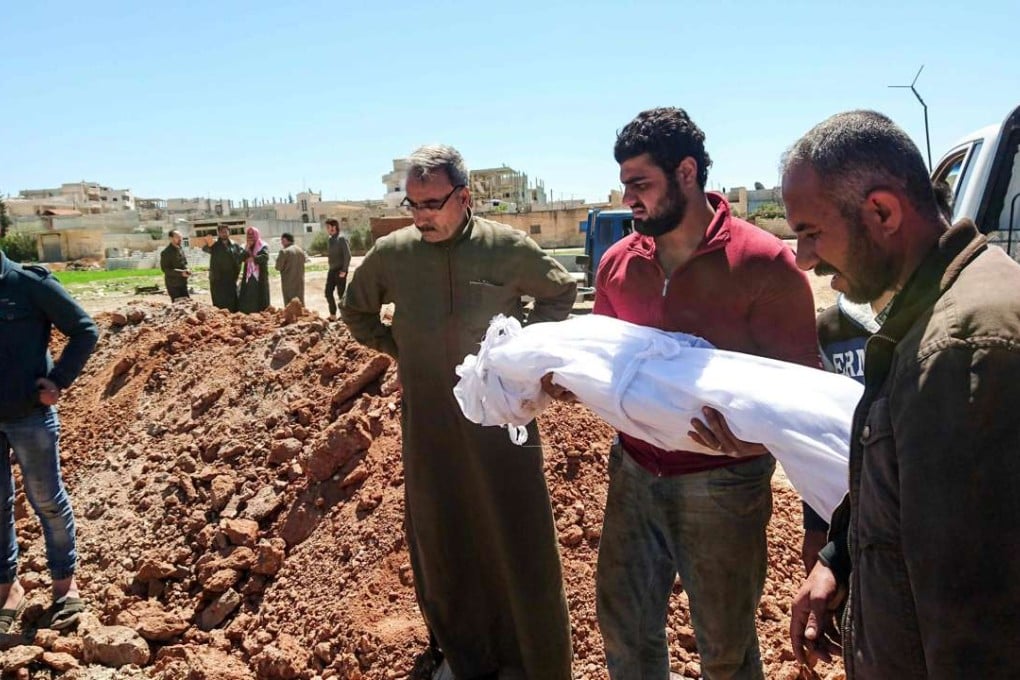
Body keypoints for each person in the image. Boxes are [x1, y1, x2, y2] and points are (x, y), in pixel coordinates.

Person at [565, 107, 819, 679]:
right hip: (633, 472)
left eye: (640, 184)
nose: (629, 198)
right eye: (625, 184)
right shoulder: (617, 265)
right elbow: (603, 357)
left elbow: (804, 394)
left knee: (725, 652)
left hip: (724, 484)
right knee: (626, 633)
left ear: (685, 173)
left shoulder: (765, 265)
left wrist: (750, 447)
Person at [785, 110, 1020, 678]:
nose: (803, 260)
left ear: (883, 212)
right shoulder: (931, 311)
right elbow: (904, 490)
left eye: (812, 233)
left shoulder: (959, 348)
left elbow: (977, 629)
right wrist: (838, 558)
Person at [341, 144, 577, 679]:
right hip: (429, 421)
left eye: (432, 203)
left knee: (519, 535)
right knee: (443, 534)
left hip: (500, 424)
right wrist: (404, 350)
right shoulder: (393, 254)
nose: (421, 215)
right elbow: (355, 309)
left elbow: (560, 293)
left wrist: (522, 360)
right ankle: (466, 654)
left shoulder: (505, 248)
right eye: (413, 204)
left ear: (463, 197)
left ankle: (536, 659)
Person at [800, 182, 953, 574]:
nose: (804, 259)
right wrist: (826, 539)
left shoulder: (949, 330)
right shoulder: (831, 328)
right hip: (856, 522)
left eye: (814, 233)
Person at [0, 248, 99, 633]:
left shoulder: (28, 284)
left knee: (46, 500)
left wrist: (58, 381)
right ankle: (8, 590)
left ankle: (64, 586)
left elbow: (84, 329)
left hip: (30, 416)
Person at [202, 225, 244, 312]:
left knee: (232, 301)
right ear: (218, 233)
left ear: (229, 232)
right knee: (219, 302)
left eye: (225, 231)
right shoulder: (214, 245)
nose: (224, 234)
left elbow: (242, 255)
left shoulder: (234, 245)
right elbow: (205, 249)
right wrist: (208, 243)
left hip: (230, 279)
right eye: (221, 232)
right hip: (217, 279)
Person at [237, 225, 270, 313]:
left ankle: (261, 313)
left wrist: (254, 258)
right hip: (248, 277)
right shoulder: (244, 246)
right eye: (249, 235)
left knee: (260, 295)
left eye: (252, 235)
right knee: (248, 295)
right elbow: (240, 258)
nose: (250, 237)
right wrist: (247, 248)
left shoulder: (263, 245)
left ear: (256, 235)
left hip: (260, 276)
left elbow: (265, 257)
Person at [324, 218, 351, 321]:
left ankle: (345, 316)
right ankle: (333, 315)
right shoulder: (330, 240)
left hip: (340, 271)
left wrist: (344, 270)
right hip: (332, 270)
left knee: (341, 294)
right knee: (328, 292)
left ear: (334, 227)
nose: (327, 229)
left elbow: (347, 255)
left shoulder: (341, 239)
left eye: (328, 227)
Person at [275, 232, 310, 306]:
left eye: (282, 240)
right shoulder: (300, 250)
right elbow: (304, 261)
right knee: (300, 303)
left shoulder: (284, 251)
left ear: (286, 240)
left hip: (288, 282)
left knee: (290, 305)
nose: (281, 242)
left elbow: (277, 267)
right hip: (300, 281)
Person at [160, 230, 190, 301]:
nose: (180, 239)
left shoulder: (180, 249)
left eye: (180, 237)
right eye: (177, 237)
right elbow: (165, 270)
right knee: (178, 307)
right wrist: (181, 273)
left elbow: (184, 263)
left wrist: (187, 270)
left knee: (188, 304)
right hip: (173, 285)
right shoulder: (166, 253)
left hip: (183, 283)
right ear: (171, 238)